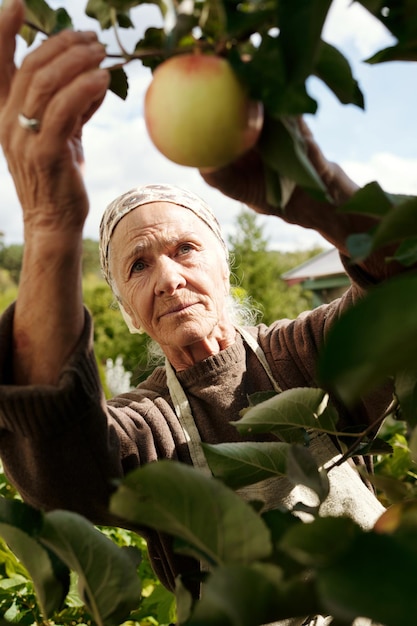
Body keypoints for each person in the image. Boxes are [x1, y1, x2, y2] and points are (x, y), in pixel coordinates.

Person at [0, 0, 402, 623]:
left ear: (224, 267)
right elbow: (65, 478)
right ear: (128, 311)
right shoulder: (149, 425)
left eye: (186, 248)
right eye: (138, 266)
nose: (168, 277)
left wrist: (316, 191)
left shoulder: (305, 357)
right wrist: (50, 223)